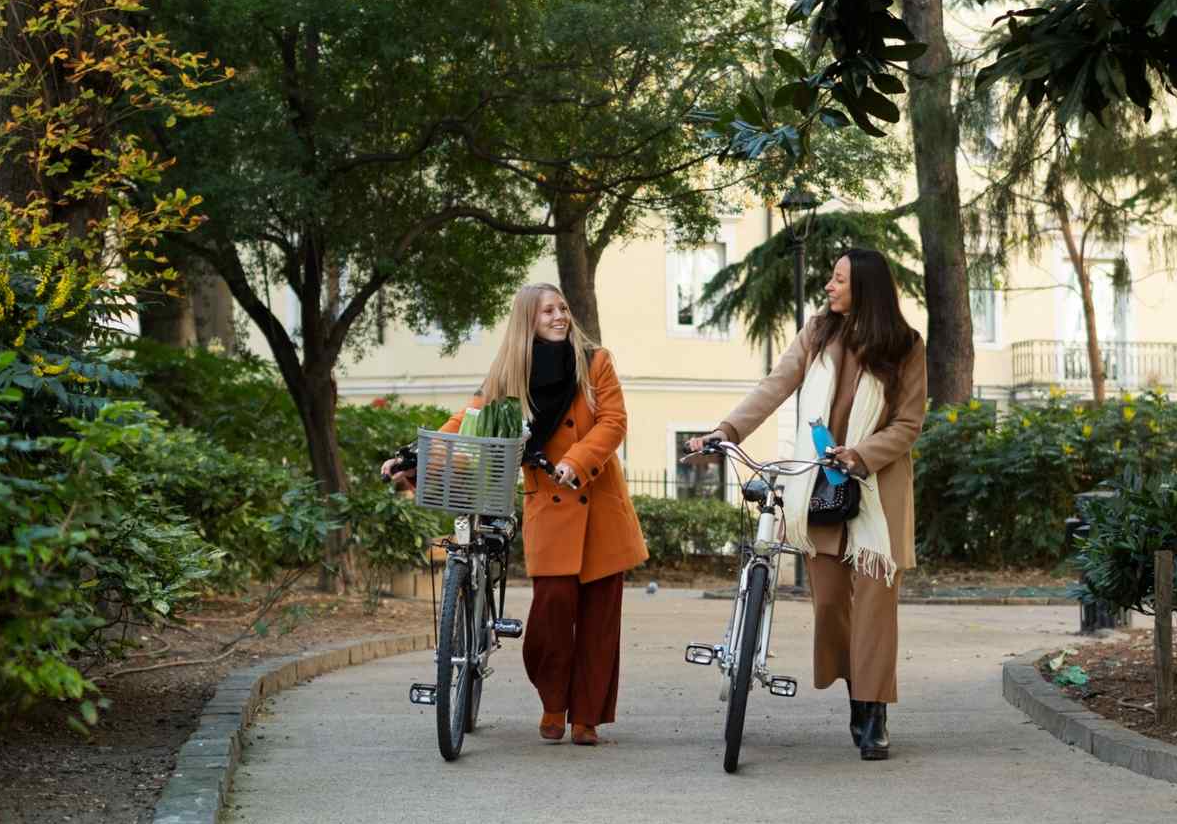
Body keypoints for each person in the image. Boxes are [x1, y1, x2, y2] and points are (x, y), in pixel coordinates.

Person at [688, 248, 925, 761]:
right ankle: (854, 691)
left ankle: (872, 710)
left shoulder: (905, 346)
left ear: (864, 287)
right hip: (819, 490)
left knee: (876, 606)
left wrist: (861, 454)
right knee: (830, 604)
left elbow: (908, 424)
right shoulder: (817, 333)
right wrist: (726, 430)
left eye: (838, 278)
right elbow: (776, 386)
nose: (828, 286)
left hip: (876, 493)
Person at [390, 283, 648, 746]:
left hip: (599, 502)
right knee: (551, 612)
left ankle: (586, 716)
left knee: (599, 619)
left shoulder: (595, 361)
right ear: (528, 319)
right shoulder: (511, 372)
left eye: (563, 308)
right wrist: (415, 456)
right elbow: (469, 419)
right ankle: (553, 702)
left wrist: (577, 459)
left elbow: (614, 421)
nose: (559, 316)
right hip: (548, 504)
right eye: (548, 310)